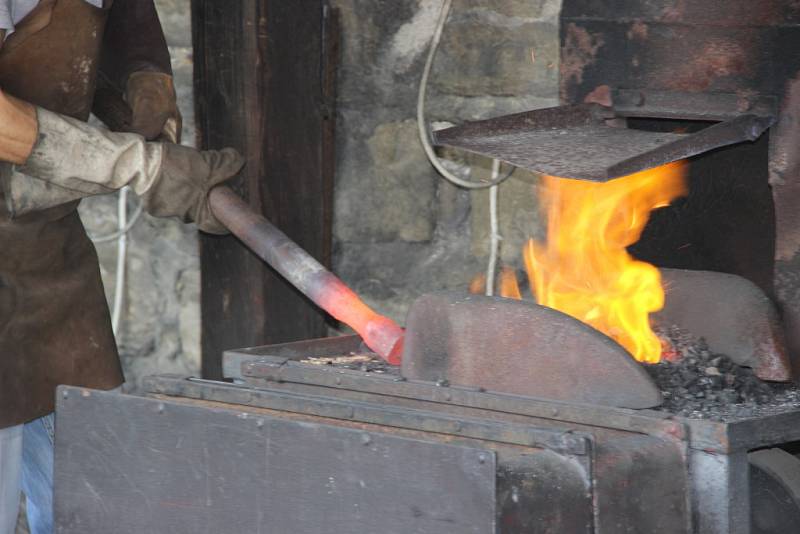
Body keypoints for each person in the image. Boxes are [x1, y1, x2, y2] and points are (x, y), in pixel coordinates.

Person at [0, 1, 243, 532]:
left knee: (95, 497)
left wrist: (144, 79)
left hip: (47, 259)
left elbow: (122, 15)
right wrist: (132, 164)